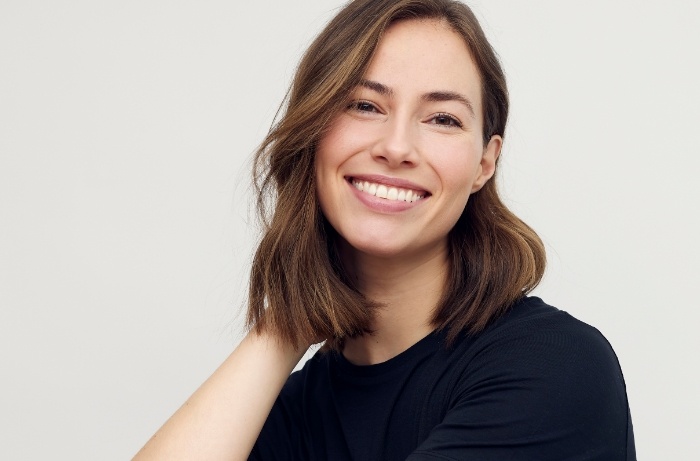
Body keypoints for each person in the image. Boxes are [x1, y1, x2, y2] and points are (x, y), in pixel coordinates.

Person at [133, 0, 635, 459]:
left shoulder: (556, 367)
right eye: (365, 105)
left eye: (442, 118)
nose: (396, 147)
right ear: (313, 133)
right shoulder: (290, 410)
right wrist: (282, 327)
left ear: (485, 162)